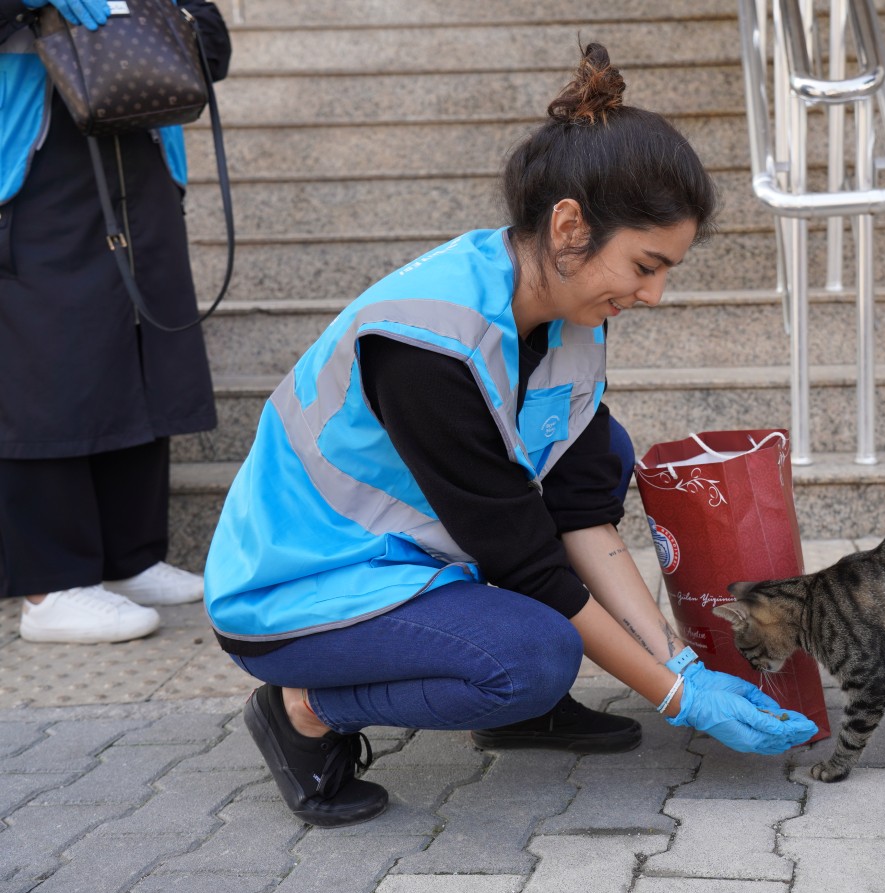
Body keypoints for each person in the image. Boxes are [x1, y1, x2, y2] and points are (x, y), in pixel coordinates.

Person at [202, 42, 818, 828]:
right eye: (644, 265)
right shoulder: (425, 340)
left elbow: (577, 518)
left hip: (411, 570)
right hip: (299, 592)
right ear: (569, 227)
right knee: (532, 654)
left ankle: (514, 705)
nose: (655, 294)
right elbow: (530, 564)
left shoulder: (569, 320)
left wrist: (680, 663)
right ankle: (304, 711)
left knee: (604, 448)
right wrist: (674, 697)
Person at [0, 0, 231, 643]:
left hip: (138, 148)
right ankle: (50, 587)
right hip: (27, 162)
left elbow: (214, 48)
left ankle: (127, 558)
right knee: (47, 363)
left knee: (137, 347)